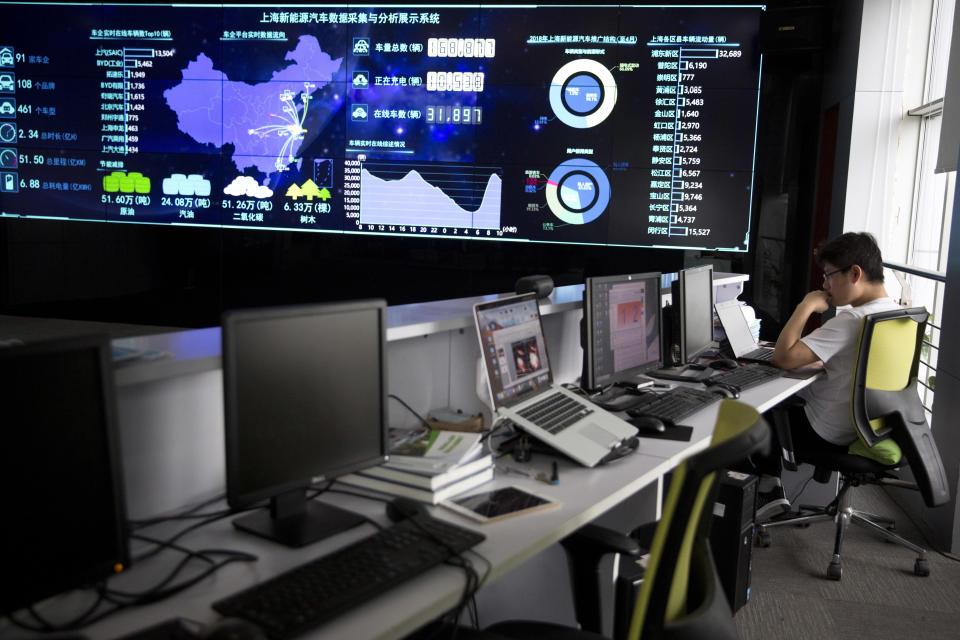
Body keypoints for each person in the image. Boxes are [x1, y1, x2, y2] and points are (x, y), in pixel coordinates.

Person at [754, 231, 901, 519]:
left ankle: (767, 488)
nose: (824, 285)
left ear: (854, 273)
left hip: (826, 432)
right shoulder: (894, 313)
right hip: (869, 425)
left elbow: (782, 357)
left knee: (754, 407)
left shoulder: (851, 321)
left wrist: (806, 305)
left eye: (829, 275)